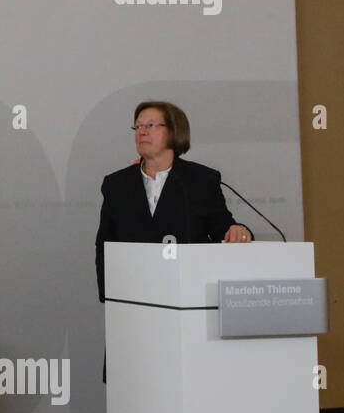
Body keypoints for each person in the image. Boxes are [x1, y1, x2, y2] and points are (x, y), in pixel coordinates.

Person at [95, 99, 252, 303]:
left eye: (150, 125)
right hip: (133, 297)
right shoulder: (117, 184)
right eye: (138, 126)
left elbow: (222, 228)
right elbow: (105, 244)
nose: (141, 132)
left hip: (188, 294)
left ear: (173, 132)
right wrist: (109, 296)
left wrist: (237, 230)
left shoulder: (200, 180)